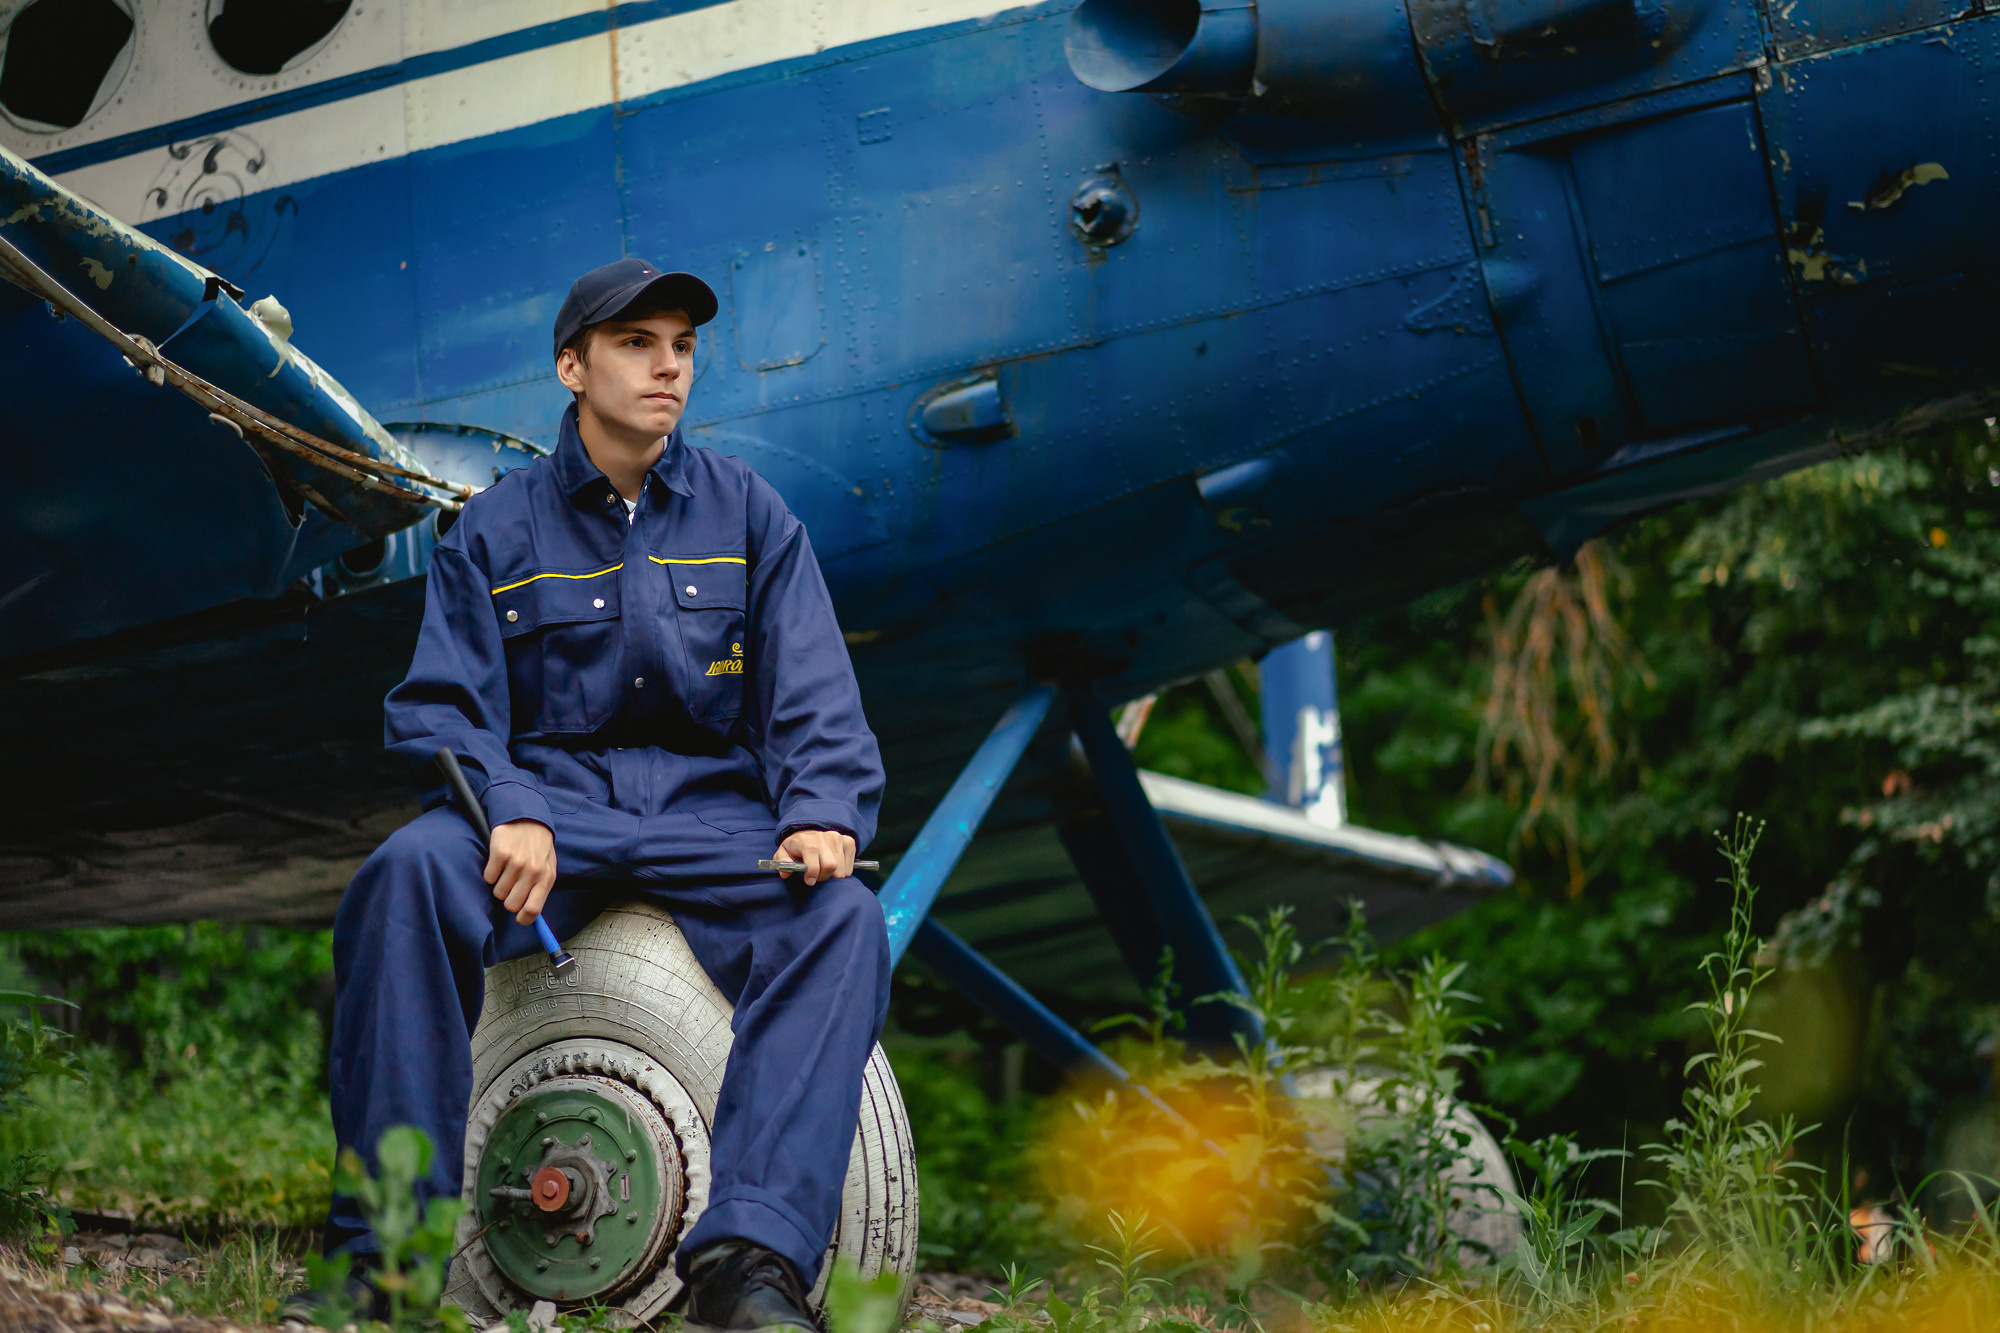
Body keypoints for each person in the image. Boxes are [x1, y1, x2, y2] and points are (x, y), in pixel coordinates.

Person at [316, 258, 887, 1332]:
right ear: (572, 366)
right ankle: (382, 1259)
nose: (667, 366)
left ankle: (749, 1266)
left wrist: (822, 809)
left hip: (711, 820)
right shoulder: (491, 530)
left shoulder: (750, 514)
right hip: (548, 814)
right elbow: (442, 706)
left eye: (681, 346)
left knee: (842, 917)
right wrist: (504, 802)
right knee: (404, 876)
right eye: (637, 344)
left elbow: (813, 692)